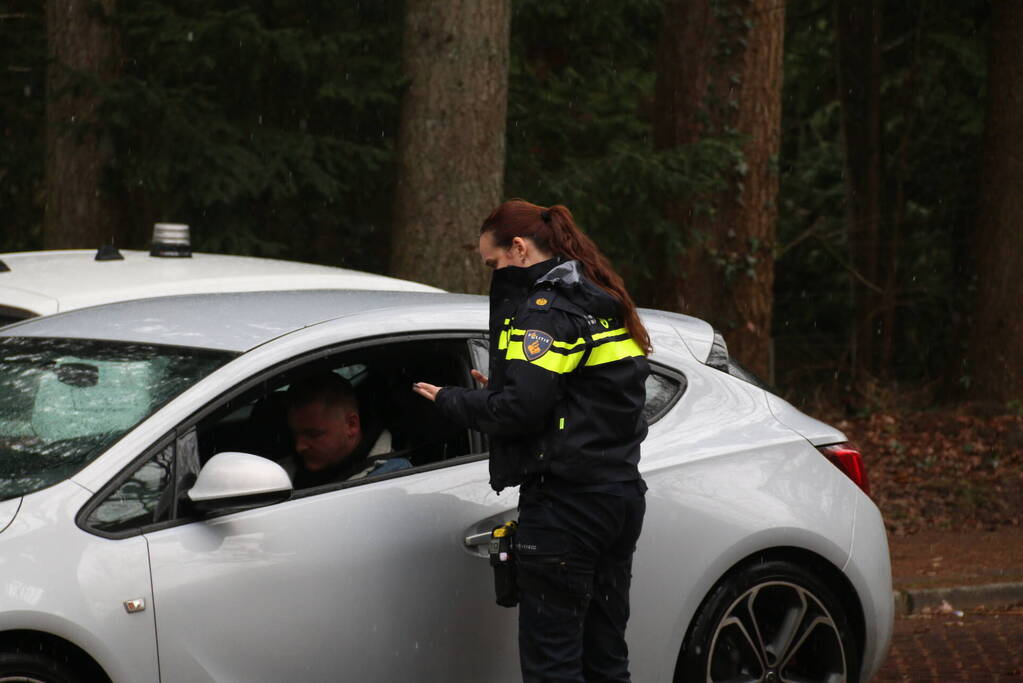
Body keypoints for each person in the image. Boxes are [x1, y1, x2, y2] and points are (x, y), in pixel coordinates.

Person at [412, 200, 650, 683]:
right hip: (618, 497)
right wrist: (504, 390)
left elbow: (519, 412)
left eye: (493, 264)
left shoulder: (544, 312)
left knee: (553, 669)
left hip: (567, 508)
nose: (492, 275)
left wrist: (454, 401)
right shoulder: (597, 299)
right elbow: (590, 399)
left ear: (518, 248)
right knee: (606, 661)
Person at [284, 372, 411, 489]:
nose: (299, 447)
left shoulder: (393, 479)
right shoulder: (283, 471)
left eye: (313, 435)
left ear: (351, 425)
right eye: (295, 434)